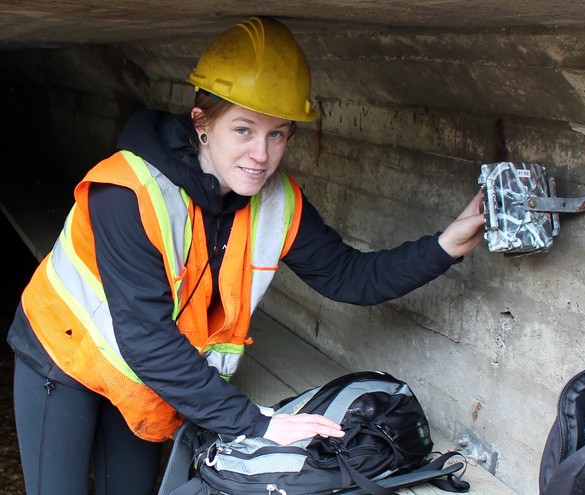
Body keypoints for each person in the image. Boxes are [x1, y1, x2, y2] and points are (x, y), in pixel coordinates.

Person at [8, 15, 485, 495]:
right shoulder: (127, 192)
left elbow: (348, 276)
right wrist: (255, 423)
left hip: (140, 373)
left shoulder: (277, 200)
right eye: (243, 129)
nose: (261, 154)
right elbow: (147, 338)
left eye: (277, 133)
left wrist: (448, 245)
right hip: (62, 356)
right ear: (202, 124)